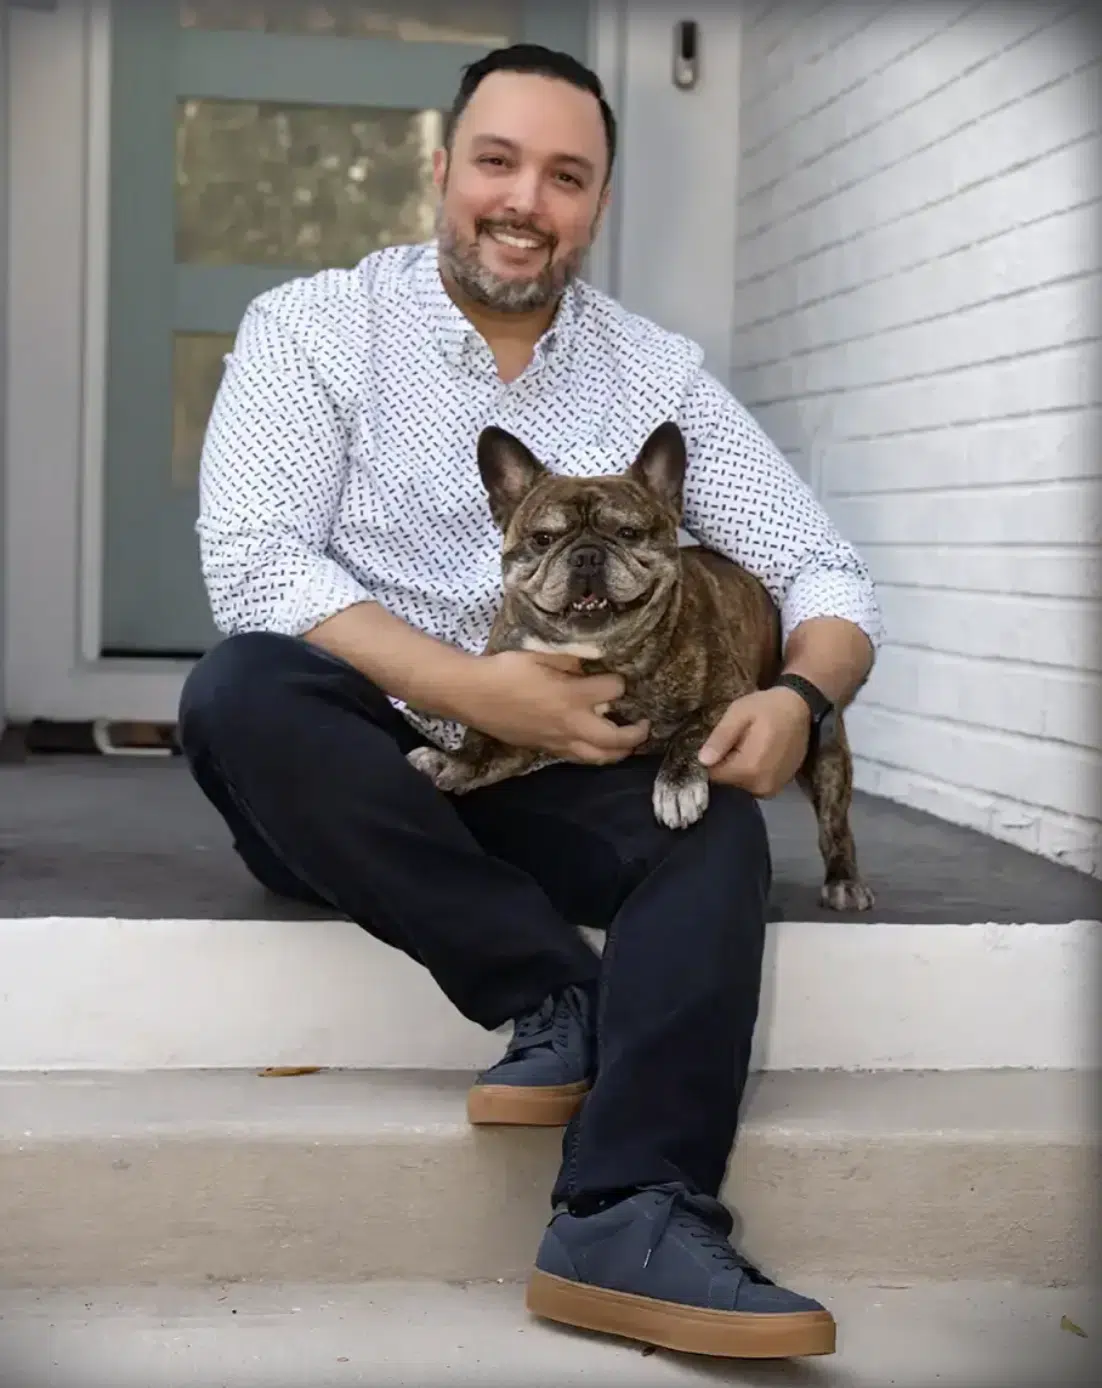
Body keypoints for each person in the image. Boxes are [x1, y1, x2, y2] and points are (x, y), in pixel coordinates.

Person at [179, 44, 882, 1361]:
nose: (525, 200)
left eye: (565, 176)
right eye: (496, 162)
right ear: (440, 169)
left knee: (712, 820)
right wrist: (478, 690)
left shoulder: (655, 374)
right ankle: (553, 994)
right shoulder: (311, 329)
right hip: (374, 779)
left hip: (564, 768)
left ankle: (629, 1212)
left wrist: (796, 697)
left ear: (597, 202)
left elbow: (820, 570)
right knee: (244, 687)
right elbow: (255, 563)